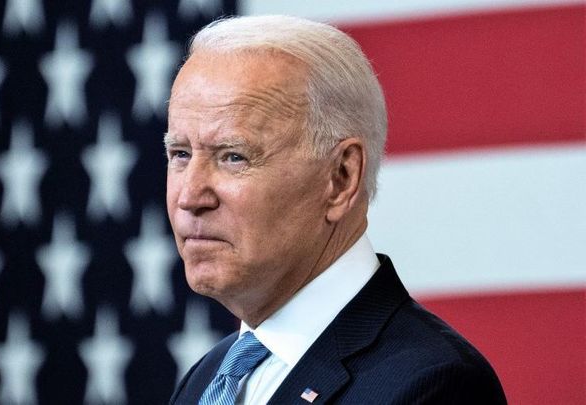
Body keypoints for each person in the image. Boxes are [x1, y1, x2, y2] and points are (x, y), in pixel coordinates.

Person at [165, 15, 506, 405]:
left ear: (341, 178)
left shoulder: (434, 386)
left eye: (233, 157)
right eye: (180, 154)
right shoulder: (208, 378)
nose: (190, 196)